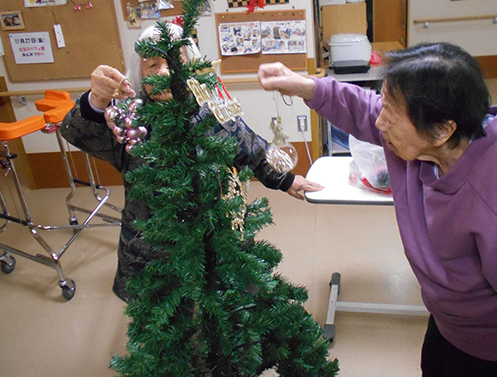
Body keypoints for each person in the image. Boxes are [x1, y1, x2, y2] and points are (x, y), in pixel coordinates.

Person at [257, 42, 497, 377]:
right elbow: (365, 108)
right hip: (447, 325)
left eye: (391, 112)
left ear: (441, 129)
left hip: (495, 354)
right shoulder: (430, 143)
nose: (379, 122)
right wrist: (304, 85)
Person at [60, 23, 322, 302]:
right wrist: (96, 100)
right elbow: (76, 131)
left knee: (232, 307)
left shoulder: (212, 113)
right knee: (168, 321)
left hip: (218, 237)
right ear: (140, 74)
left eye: (174, 62)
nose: (164, 71)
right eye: (153, 64)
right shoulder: (127, 123)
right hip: (154, 249)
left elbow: (250, 146)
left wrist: (286, 179)